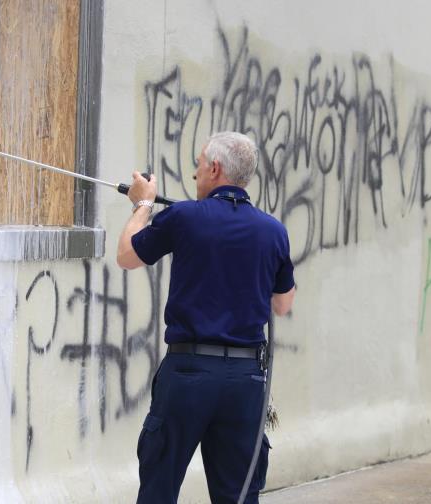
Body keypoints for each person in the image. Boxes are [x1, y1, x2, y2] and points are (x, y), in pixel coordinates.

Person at [117, 131, 296, 504]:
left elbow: (128, 256)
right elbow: (282, 305)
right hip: (246, 382)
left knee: (159, 488)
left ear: (214, 168)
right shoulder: (273, 232)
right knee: (239, 495)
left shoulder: (184, 217)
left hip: (188, 373)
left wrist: (143, 205)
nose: (195, 175)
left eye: (198, 165)